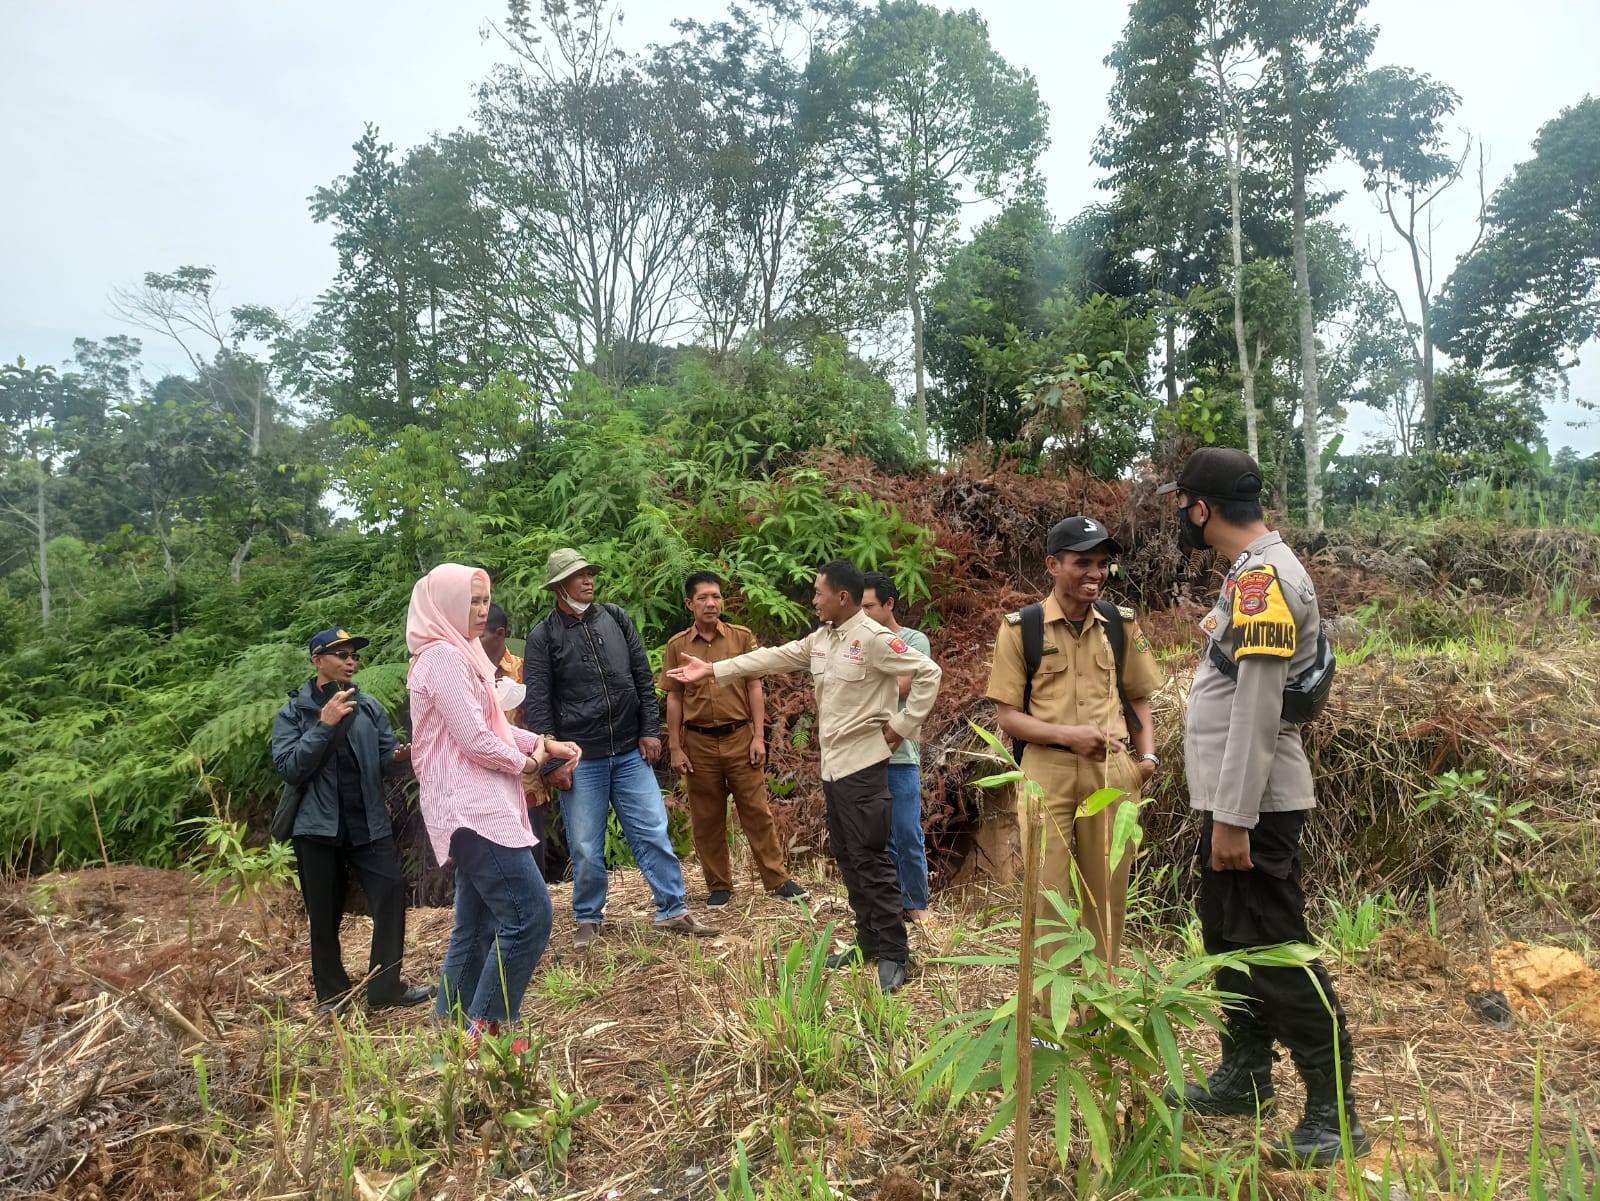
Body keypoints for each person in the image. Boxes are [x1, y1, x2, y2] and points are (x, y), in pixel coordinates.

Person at [1157, 447, 1369, 1168]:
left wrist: (1233, 817)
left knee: (1277, 946)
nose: (1181, 514)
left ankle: (1333, 1109)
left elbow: (1256, 706)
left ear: (1201, 507)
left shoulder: (1266, 578)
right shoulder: (1253, 573)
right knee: (1226, 937)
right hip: (1234, 799)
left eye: (1182, 502)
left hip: (1253, 806)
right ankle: (1246, 1074)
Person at [669, 560, 941, 993]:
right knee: (849, 857)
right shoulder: (821, 639)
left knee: (871, 858)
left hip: (866, 766)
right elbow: (772, 657)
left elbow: (929, 673)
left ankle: (893, 952)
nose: (813, 600)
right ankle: (868, 941)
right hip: (834, 768)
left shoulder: (872, 639)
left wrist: (901, 728)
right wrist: (714, 670)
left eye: (818, 593)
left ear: (842, 598)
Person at [407, 565, 583, 1045]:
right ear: (444, 604)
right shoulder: (443, 658)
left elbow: (496, 728)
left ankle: (450, 1026)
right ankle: (486, 1031)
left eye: (485, 600)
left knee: (478, 922)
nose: (482, 610)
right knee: (530, 917)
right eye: (472, 601)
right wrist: (531, 764)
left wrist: (545, 742)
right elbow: (476, 740)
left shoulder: (458, 654)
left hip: (475, 809)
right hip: (474, 811)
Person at [984, 517, 1162, 976]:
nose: (1095, 573)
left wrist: (1147, 759)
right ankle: (1048, 1014)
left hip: (1113, 774)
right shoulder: (1021, 628)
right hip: (1048, 773)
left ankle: (1102, 1005)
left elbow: (1138, 695)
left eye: (1102, 564)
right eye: (1083, 562)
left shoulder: (1120, 626)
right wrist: (1069, 735)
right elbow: (1008, 717)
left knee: (1108, 894)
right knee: (1048, 896)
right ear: (1052, 564)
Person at [524, 549, 719, 948]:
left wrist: (650, 729)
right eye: (579, 576)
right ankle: (588, 919)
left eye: (590, 573)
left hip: (630, 751)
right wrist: (550, 765)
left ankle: (673, 910)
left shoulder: (615, 617)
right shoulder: (543, 637)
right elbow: (538, 706)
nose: (589, 580)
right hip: (581, 758)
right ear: (560, 587)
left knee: (653, 831)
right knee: (585, 845)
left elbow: (642, 678)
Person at [271, 627, 432, 1014]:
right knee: (324, 916)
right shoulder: (294, 713)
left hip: (367, 823)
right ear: (317, 660)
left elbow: (382, 758)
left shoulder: (369, 707)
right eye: (341, 654)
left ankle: (385, 988)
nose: (350, 661)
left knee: (391, 894)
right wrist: (324, 725)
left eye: (354, 655)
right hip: (317, 828)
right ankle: (333, 997)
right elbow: (290, 768)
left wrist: (398, 757)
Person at [660, 571, 808, 909]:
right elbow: (674, 698)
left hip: (740, 737)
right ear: (689, 604)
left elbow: (755, 686)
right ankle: (719, 886)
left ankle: (777, 879)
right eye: (703, 598)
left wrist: (759, 736)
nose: (711, 603)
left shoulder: (741, 638)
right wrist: (676, 746)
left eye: (716, 596)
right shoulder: (678, 646)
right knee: (707, 817)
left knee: (756, 810)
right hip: (698, 743)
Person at [860, 572, 933, 923]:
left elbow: (903, 688)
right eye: (859, 606)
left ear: (889, 604)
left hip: (900, 754)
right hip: (861, 753)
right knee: (877, 836)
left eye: (869, 606)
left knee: (906, 832)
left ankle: (917, 903)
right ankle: (892, 903)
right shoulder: (857, 640)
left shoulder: (913, 640)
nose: (863, 613)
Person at [480, 603, 553, 880]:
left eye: (479, 635)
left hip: (526, 780)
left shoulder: (524, 671)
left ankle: (537, 917)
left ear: (499, 634)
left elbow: (541, 719)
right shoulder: (468, 674)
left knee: (531, 853)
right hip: (485, 782)